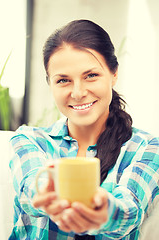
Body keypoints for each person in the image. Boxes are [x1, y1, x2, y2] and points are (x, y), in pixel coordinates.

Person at [9, 19, 159, 240]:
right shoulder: (29, 139)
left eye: (91, 75)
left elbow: (130, 208)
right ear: (50, 83)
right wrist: (46, 194)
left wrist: (105, 212)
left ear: (114, 73)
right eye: (63, 80)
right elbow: (31, 185)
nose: (78, 93)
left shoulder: (146, 148)